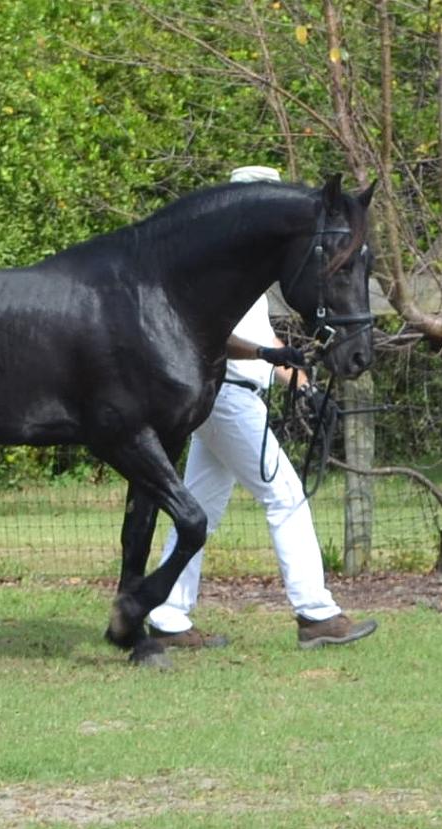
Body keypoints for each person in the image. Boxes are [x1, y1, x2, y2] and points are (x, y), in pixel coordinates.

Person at [147, 165, 378, 650]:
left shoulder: (248, 268)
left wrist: (292, 372)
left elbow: (261, 335)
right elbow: (212, 335)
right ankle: (316, 613)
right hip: (227, 394)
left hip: (237, 391)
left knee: (199, 510)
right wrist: (262, 356)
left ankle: (167, 615)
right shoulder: (221, 267)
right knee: (285, 494)